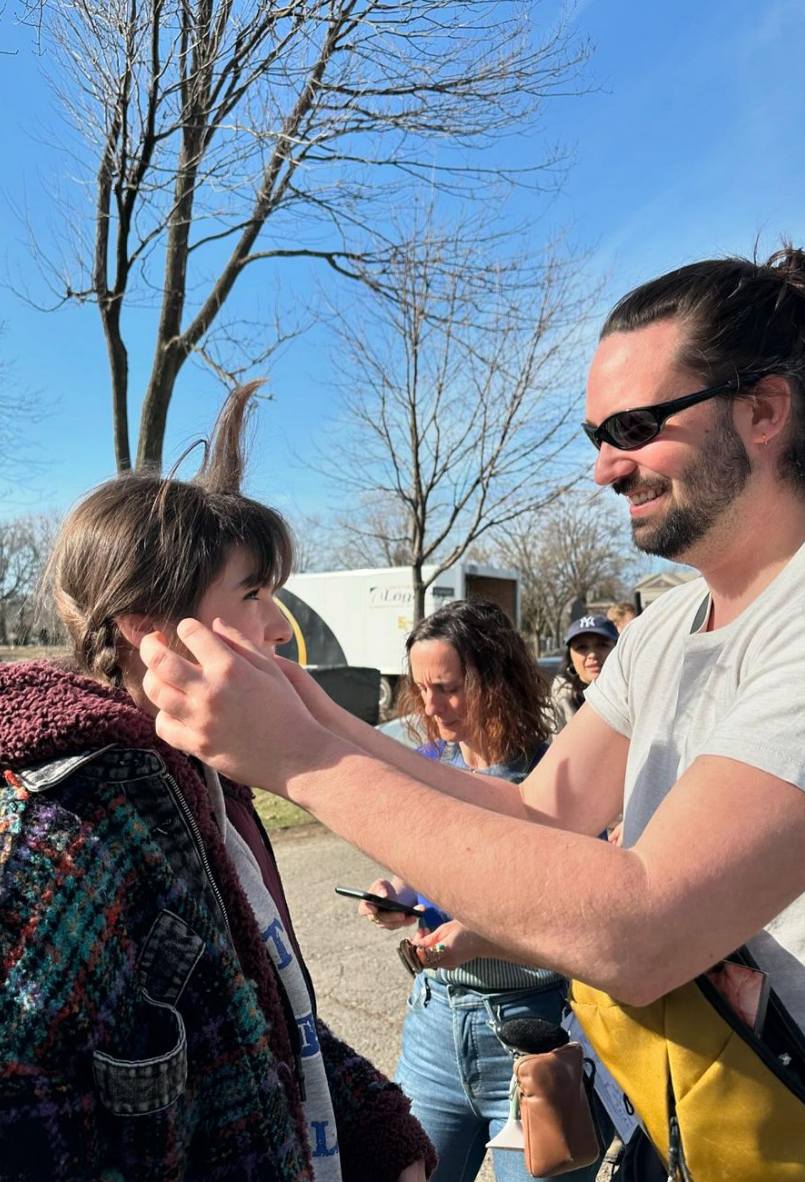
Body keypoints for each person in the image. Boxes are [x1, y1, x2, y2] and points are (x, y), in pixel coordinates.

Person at [138, 249, 805, 1166]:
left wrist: (301, 759)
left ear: (763, 410)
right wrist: (307, 710)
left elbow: (644, 926)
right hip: (703, 1122)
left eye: (637, 427)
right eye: (594, 436)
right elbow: (541, 811)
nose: (605, 470)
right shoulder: (667, 626)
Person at [0, 385, 435, 1182]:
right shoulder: (41, 840)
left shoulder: (196, 792)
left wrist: (377, 1134)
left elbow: (248, 1012)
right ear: (147, 625)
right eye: (252, 594)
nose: (276, 627)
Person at [358, 600, 607, 1182]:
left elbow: (586, 919)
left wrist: (485, 941)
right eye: (419, 689)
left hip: (536, 1031)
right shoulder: (425, 766)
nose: (429, 706)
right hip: (434, 1029)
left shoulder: (558, 779)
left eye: (446, 687)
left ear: (496, 681)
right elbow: (418, 869)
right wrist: (394, 892)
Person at [550, 614, 619, 732]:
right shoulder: (558, 705)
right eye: (582, 647)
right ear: (570, 657)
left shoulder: (635, 695)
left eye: (602, 645)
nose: (592, 654)